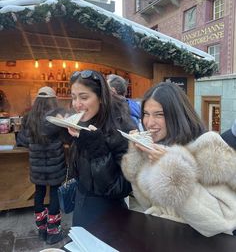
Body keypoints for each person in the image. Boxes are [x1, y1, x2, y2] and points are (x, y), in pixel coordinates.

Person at [121, 81, 236, 237]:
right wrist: (139, 158)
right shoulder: (157, 148)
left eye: (159, 114)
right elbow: (146, 203)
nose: (149, 122)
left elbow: (224, 219)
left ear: (177, 114)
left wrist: (173, 173)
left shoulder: (208, 146)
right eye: (146, 114)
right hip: (162, 239)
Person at [43, 70, 136, 228]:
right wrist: (56, 123)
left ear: (101, 98)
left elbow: (121, 188)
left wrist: (96, 148)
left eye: (84, 97)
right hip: (81, 208)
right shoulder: (81, 124)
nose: (77, 104)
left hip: (110, 215)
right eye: (73, 97)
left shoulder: (122, 128)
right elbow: (45, 133)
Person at [16, 86, 66, 245]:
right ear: (53, 101)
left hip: (37, 166)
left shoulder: (28, 117)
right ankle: (53, 231)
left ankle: (42, 228)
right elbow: (66, 139)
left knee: (39, 192)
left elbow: (22, 141)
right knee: (55, 193)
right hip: (55, 165)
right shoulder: (57, 118)